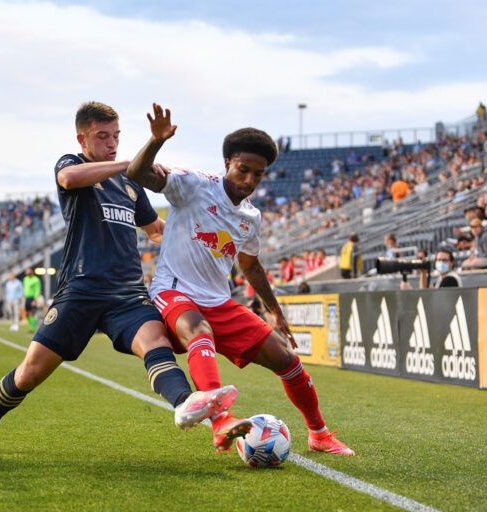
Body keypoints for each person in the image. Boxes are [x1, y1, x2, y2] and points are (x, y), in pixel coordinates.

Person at [0, 101, 237, 455]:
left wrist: (204, 234)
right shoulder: (72, 164)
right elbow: (68, 180)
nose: (111, 143)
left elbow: (157, 231)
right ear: (82, 138)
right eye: (103, 137)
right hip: (81, 290)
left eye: (116, 136)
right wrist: (131, 164)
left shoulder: (130, 187)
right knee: (28, 374)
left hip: (127, 293)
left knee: (156, 343)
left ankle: (184, 403)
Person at [127, 103, 354, 456]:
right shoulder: (194, 185)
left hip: (219, 300)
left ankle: (319, 434)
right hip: (174, 291)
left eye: (258, 175)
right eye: (243, 170)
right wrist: (156, 141)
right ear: (228, 163)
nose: (249, 180)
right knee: (199, 332)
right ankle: (221, 422)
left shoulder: (250, 217)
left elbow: (251, 266)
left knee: (288, 362)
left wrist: (274, 310)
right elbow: (138, 173)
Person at [22, 268, 42, 333]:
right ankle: (31, 326)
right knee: (27, 314)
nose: (27, 272)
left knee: (32, 313)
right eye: (26, 271)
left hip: (32, 298)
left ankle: (33, 328)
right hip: (26, 298)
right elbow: (25, 288)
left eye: (28, 271)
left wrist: (35, 300)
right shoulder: (25, 279)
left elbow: (37, 290)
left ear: (32, 271)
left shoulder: (36, 280)